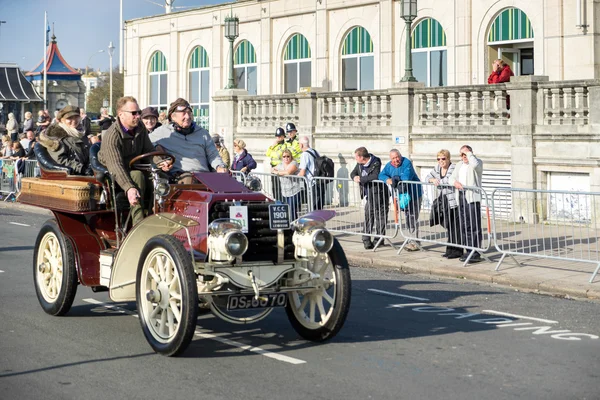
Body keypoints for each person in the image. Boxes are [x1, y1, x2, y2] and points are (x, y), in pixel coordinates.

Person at [99, 96, 171, 225]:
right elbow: (116, 166)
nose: (138, 116)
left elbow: (149, 151)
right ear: (121, 114)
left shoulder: (140, 129)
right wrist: (129, 188)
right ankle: (138, 224)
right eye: (134, 113)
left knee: (162, 177)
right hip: (114, 175)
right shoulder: (112, 136)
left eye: (139, 112)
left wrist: (161, 162)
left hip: (134, 167)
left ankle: (158, 217)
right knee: (137, 176)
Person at [149, 98, 227, 184]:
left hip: (205, 176)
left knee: (230, 184)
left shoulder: (203, 133)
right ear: (173, 116)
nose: (187, 116)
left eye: (189, 113)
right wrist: (158, 150)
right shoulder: (162, 132)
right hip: (181, 177)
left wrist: (219, 167)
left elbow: (213, 154)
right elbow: (146, 143)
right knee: (188, 180)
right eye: (183, 113)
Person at [379, 149, 422, 251]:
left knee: (412, 217)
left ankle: (414, 242)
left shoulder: (406, 162)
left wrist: (394, 179)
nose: (396, 160)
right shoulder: (389, 165)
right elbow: (381, 175)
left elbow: (406, 177)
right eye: (393, 158)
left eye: (397, 157)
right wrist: (388, 180)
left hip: (414, 194)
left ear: (400, 156)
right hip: (402, 196)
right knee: (407, 218)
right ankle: (410, 240)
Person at [448, 145, 484, 263]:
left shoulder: (476, 162)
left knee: (474, 225)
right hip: (461, 195)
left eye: (465, 154)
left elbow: (475, 165)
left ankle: (475, 251)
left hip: (472, 197)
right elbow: (451, 178)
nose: (464, 157)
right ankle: (468, 249)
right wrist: (455, 183)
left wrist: (469, 154)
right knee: (464, 224)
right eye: (462, 154)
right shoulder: (459, 165)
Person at [426, 149, 462, 259]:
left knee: (455, 227)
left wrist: (437, 181)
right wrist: (432, 180)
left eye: (443, 158)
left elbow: (449, 180)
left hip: (454, 201)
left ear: (448, 158)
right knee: (449, 226)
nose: (441, 161)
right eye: (438, 159)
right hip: (444, 200)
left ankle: (457, 251)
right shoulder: (437, 168)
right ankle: (450, 249)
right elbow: (427, 178)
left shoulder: (453, 167)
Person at [350, 147, 388, 250]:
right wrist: (354, 177)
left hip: (379, 193)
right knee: (368, 216)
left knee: (381, 216)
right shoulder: (359, 164)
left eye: (356, 157)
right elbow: (353, 173)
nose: (356, 159)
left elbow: (375, 176)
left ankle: (379, 239)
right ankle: (366, 240)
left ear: (361, 157)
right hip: (369, 194)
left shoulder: (376, 162)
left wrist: (361, 179)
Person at [38, 105, 92, 176]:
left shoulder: (80, 134)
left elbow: (89, 155)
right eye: (69, 118)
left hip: (84, 175)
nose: (74, 121)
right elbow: (60, 160)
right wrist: (82, 169)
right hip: (66, 177)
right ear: (61, 120)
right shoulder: (55, 138)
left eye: (76, 117)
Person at [272, 149, 304, 221]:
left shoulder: (294, 163)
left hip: (295, 190)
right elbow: (272, 169)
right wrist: (277, 171)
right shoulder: (280, 164)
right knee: (287, 209)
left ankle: (293, 226)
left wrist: (277, 172)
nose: (286, 158)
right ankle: (290, 225)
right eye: (284, 156)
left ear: (291, 156)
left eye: (288, 156)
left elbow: (288, 172)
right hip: (285, 192)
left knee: (292, 209)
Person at [297, 135, 323, 210]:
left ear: (301, 145)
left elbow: (302, 172)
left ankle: (313, 221)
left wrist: (295, 176)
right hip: (319, 182)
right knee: (319, 207)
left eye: (299, 144)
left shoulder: (304, 154)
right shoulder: (314, 151)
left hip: (312, 183)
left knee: (312, 207)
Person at [265, 127, 287, 200]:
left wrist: (272, 152)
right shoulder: (275, 145)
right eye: (277, 136)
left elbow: (278, 155)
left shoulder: (284, 145)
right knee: (274, 186)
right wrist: (272, 146)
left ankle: (281, 200)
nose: (278, 138)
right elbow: (268, 153)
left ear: (283, 136)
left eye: (280, 136)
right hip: (273, 167)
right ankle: (276, 200)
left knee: (280, 186)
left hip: (280, 167)